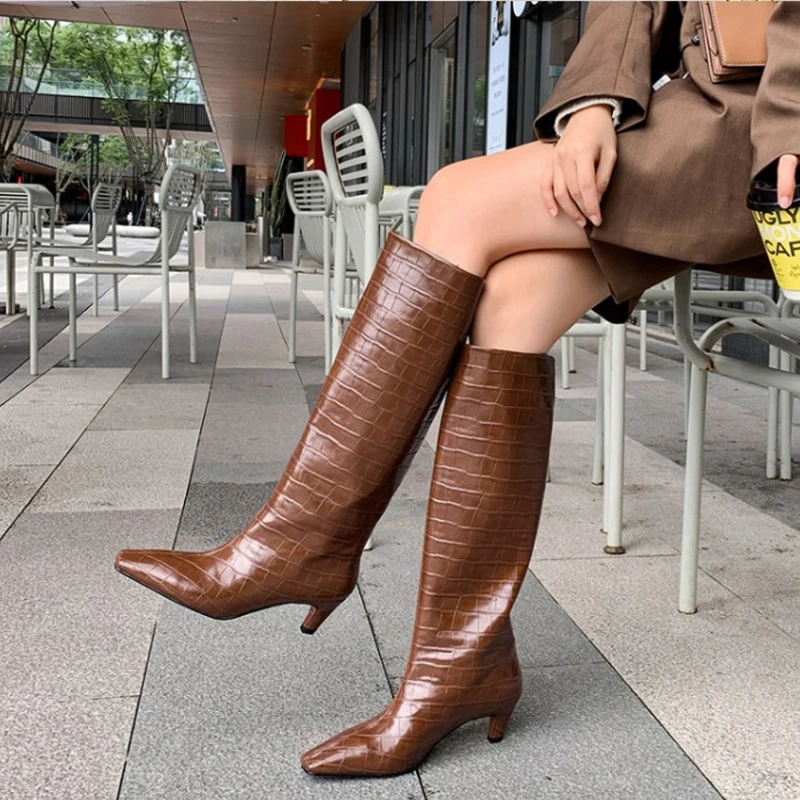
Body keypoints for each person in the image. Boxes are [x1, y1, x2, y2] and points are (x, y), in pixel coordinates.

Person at [114, 1, 799, 778]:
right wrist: (592, 106)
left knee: (456, 198)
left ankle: (302, 542)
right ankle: (461, 661)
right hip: (699, 109)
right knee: (512, 303)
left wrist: (788, 124)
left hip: (768, 124)